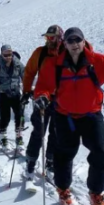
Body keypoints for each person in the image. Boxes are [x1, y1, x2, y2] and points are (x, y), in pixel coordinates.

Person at [33, 27, 104, 205]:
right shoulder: (55, 65)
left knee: (100, 152)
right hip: (64, 116)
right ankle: (63, 189)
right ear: (64, 44)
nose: (74, 44)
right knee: (64, 154)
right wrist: (42, 96)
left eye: (78, 40)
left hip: (91, 116)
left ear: (84, 42)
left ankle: (96, 193)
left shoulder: (97, 61)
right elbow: (43, 85)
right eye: (70, 41)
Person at [22, 25, 64, 176]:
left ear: (59, 37)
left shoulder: (66, 53)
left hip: (61, 100)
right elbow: (29, 72)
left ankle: (51, 162)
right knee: (39, 131)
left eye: (51, 37)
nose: (48, 40)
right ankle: (31, 162)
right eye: (47, 37)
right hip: (42, 98)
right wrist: (26, 91)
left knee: (56, 132)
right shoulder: (40, 53)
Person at [0, 44, 25, 147]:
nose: (8, 57)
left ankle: (19, 136)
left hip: (16, 93)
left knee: (20, 114)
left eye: (10, 54)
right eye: (6, 55)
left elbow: (25, 76)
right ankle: (2, 135)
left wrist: (28, 89)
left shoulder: (18, 64)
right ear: (1, 54)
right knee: (5, 117)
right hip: (3, 94)